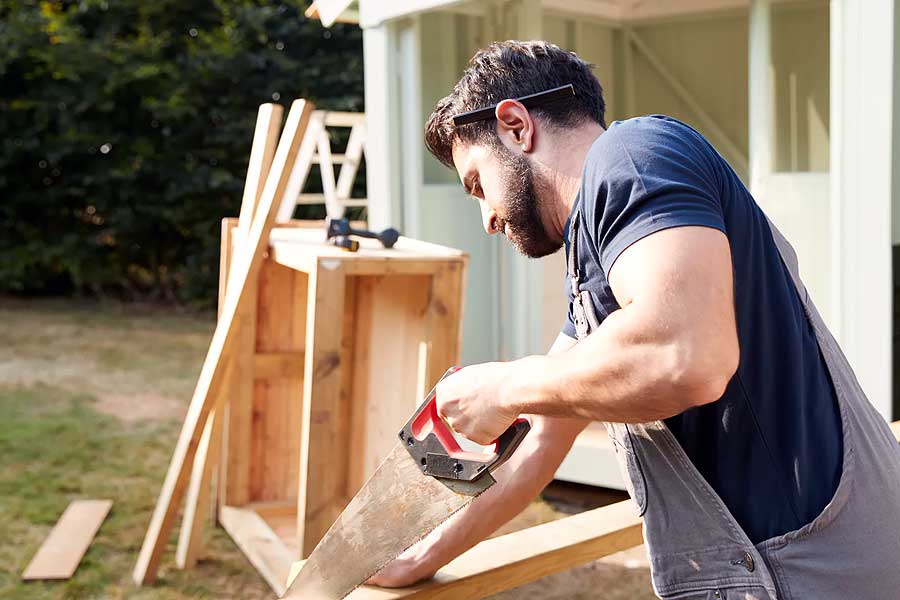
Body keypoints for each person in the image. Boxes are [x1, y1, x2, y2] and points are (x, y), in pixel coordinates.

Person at [369, 40, 900, 599]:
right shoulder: (599, 261)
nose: (488, 220)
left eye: (478, 184)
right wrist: (422, 554)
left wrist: (501, 387)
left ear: (516, 126)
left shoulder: (632, 154)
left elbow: (684, 356)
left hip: (817, 572)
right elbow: (542, 436)